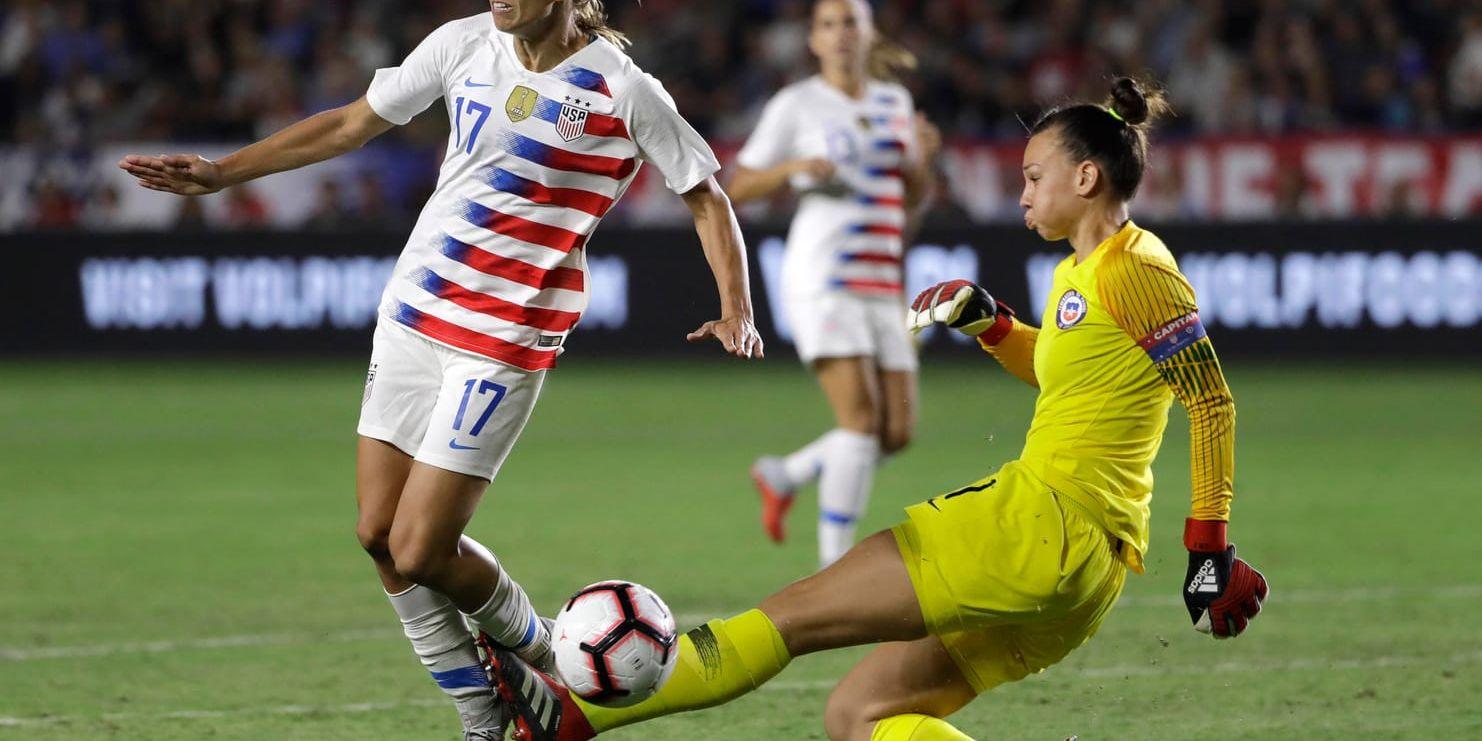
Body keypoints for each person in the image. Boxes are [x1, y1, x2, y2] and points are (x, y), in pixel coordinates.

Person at [483, 76, 1269, 741]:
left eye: (1034, 176)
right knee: (862, 713)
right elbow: (1070, 377)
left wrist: (1210, 548)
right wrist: (993, 325)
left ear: (1087, 179)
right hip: (1079, 563)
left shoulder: (1135, 272)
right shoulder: (1082, 273)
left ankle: (569, 714)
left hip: (1043, 525)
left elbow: (1211, 402)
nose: (1022, 192)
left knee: (790, 616)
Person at [118, 2, 763, 739]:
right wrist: (221, 172)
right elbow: (349, 123)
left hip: (504, 339)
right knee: (376, 533)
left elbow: (706, 198)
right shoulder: (462, 44)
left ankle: (554, 652)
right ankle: (482, 711)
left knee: (419, 547)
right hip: (414, 315)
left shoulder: (625, 89)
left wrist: (735, 307)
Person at [730, 0, 940, 567]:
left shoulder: (894, 102)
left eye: (851, 21)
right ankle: (835, 569)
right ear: (814, 41)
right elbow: (738, 183)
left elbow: (910, 201)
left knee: (896, 431)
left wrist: (922, 161)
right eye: (829, 24)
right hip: (823, 276)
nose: (842, 33)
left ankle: (786, 474)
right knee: (861, 422)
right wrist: (791, 169)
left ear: (870, 34)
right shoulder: (797, 104)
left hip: (881, 280)